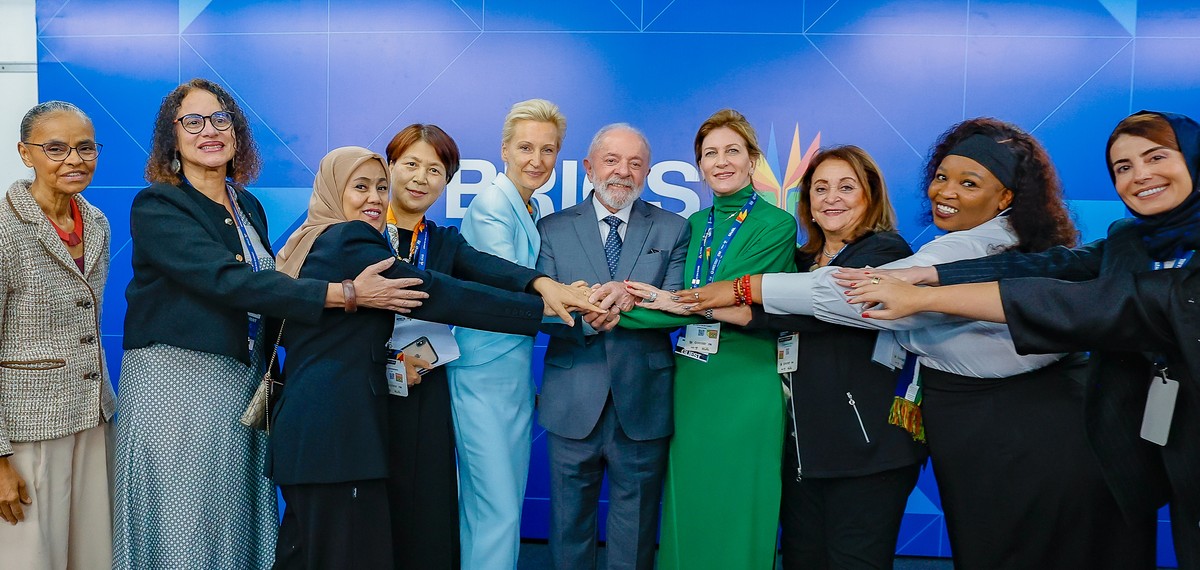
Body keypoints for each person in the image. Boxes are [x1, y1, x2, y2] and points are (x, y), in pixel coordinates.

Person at [678, 118, 1154, 568]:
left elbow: (858, 296)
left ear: (1006, 197)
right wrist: (699, 304)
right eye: (942, 177)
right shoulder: (974, 244)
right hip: (963, 431)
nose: (947, 192)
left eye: (970, 183)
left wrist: (745, 287)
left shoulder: (943, 248)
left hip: (1008, 431)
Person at [841, 109, 1200, 567]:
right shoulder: (1133, 238)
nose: (1140, 175)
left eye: (1156, 157)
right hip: (1172, 448)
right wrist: (931, 274)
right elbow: (1054, 266)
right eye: (1123, 167)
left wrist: (923, 299)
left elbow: (1085, 304)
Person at [113, 78, 428, 569]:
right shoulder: (157, 205)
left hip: (241, 383)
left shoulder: (248, 206)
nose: (209, 130)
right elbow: (226, 280)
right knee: (185, 517)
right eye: (192, 121)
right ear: (171, 137)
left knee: (232, 516)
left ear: (237, 133)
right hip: (177, 386)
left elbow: (271, 295)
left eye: (220, 119)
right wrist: (344, 293)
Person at [269, 144, 595, 569]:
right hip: (337, 435)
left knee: (303, 555)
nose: (374, 198)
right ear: (333, 189)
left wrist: (539, 283)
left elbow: (481, 268)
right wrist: (540, 309)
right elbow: (436, 293)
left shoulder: (308, 239)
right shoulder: (349, 238)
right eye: (360, 187)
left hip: (315, 433)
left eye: (380, 187)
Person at [381, 123, 599, 568]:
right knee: (491, 508)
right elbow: (479, 299)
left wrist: (547, 287)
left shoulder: (442, 238)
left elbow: (495, 272)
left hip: (430, 375)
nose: (421, 178)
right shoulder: (360, 233)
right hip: (419, 380)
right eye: (411, 165)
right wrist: (560, 301)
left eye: (434, 170)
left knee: (466, 508)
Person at [621, 109, 797, 569]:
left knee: (739, 505)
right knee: (690, 504)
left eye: (732, 151)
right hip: (692, 383)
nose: (721, 162)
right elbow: (665, 302)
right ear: (699, 164)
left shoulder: (777, 224)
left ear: (752, 160)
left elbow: (737, 297)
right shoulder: (692, 224)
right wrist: (606, 310)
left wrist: (671, 302)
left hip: (747, 382)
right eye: (710, 153)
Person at [743, 145, 926, 569]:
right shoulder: (797, 260)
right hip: (803, 454)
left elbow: (824, 306)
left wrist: (738, 302)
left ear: (870, 194)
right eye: (820, 188)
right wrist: (691, 303)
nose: (831, 199)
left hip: (868, 454)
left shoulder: (887, 253)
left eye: (846, 187)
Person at [534, 123, 689, 570]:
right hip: (571, 399)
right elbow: (539, 309)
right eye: (611, 160)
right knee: (568, 526)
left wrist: (627, 307)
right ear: (589, 167)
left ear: (647, 172)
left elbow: (677, 305)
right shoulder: (552, 228)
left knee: (636, 528)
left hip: (643, 400)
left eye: (635, 163)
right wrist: (586, 318)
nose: (623, 171)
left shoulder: (673, 228)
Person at [446, 98, 568, 569]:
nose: (537, 160)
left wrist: (568, 295)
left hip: (511, 375)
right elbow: (511, 289)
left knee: (497, 508)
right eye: (525, 148)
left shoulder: (526, 205)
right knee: (495, 508)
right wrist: (577, 301)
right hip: (483, 373)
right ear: (504, 150)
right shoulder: (492, 204)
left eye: (548, 149)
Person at [0, 101, 112, 570]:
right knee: (31, 559)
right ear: (25, 153)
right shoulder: (5, 228)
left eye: (85, 147)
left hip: (92, 418)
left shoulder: (97, 222)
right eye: (56, 148)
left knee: (92, 556)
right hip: (26, 430)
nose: (74, 159)